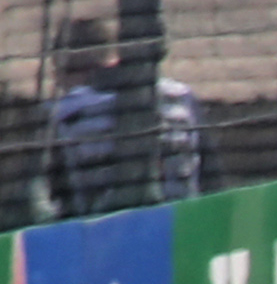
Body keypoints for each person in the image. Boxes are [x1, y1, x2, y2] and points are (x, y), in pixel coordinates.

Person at [43, 15, 207, 215]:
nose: (59, 84)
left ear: (65, 67)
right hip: (183, 227)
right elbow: (210, 176)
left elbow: (61, 198)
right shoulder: (181, 97)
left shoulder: (66, 113)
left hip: (104, 235)